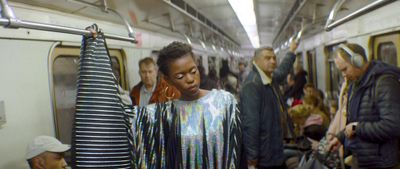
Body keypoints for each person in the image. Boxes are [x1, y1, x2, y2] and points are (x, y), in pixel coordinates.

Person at [156, 41, 242, 168]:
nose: (190, 79)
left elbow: (238, 149)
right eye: (180, 76)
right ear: (168, 80)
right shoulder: (167, 114)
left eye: (193, 71)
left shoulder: (225, 102)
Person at [328, 43, 400, 169]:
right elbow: (354, 121)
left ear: (358, 61)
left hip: (380, 163)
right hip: (361, 159)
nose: (343, 75)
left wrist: (357, 128)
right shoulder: (355, 85)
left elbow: (393, 126)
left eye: (345, 69)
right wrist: (341, 137)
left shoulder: (385, 83)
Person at [240, 41, 298, 169]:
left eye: (274, 58)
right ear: (256, 61)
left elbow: (282, 71)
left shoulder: (269, 77)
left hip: (274, 149)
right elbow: (250, 124)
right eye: (267, 58)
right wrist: (252, 159)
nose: (273, 61)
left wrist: (291, 51)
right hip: (264, 157)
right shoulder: (252, 85)